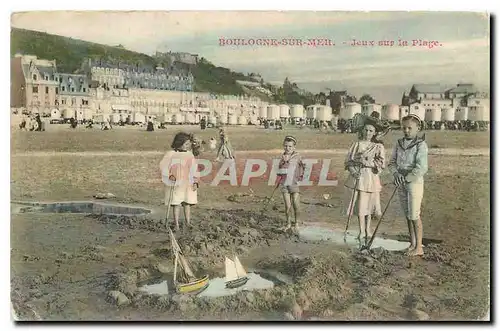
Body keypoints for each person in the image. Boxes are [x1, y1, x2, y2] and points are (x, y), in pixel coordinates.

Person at [388, 114, 428, 257]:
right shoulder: (398, 143)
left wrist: (407, 177)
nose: (406, 131)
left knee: (414, 214)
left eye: (410, 128)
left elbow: (422, 167)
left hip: (414, 182)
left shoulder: (420, 145)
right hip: (401, 182)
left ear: (418, 128)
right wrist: (396, 174)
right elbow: (392, 162)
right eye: (404, 128)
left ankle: (419, 247)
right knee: (407, 214)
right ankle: (412, 243)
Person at [344, 115, 386, 242]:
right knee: (361, 205)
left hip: (371, 177)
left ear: (374, 133)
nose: (368, 133)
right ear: (362, 130)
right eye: (366, 130)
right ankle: (362, 231)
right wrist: (354, 172)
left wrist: (368, 163)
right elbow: (349, 161)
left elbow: (381, 163)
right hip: (360, 177)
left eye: (371, 131)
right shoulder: (356, 145)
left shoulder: (378, 147)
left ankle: (369, 230)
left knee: (370, 205)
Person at [159, 132, 199, 231]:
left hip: (187, 183)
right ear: (178, 143)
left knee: (187, 203)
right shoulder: (171, 154)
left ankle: (188, 222)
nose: (187, 146)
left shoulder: (189, 155)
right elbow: (163, 166)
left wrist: (195, 181)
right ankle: (176, 224)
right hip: (175, 183)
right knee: (176, 203)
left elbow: (194, 169)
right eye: (185, 144)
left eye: (188, 144)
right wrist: (170, 175)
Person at [277, 136, 305, 235]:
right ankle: (288, 223)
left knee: (296, 205)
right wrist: (282, 168)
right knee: (287, 205)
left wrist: (300, 178)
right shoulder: (282, 156)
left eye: (290, 146)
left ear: (294, 147)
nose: (287, 148)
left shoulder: (298, 156)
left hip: (294, 183)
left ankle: (296, 223)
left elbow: (303, 167)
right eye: (285, 146)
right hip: (284, 184)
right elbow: (279, 170)